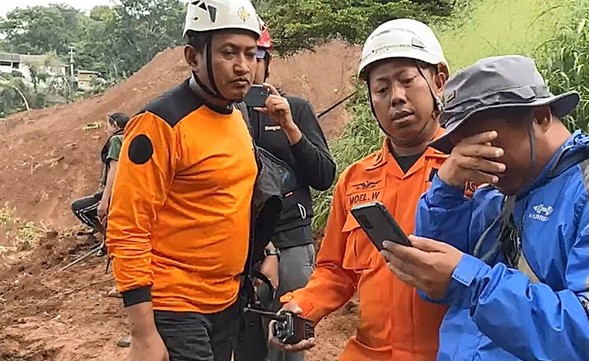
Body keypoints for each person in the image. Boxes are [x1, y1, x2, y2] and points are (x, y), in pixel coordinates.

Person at [383, 55, 589, 360]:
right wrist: (446, 189)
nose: (473, 156)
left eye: (483, 141)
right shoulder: (494, 196)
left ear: (541, 116)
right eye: (460, 147)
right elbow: (432, 282)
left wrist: (473, 285)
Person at [105, 1, 284, 360]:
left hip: (227, 300)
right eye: (228, 53)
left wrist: (267, 251)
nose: (243, 67)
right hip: (176, 307)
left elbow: (235, 198)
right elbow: (127, 227)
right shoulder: (160, 123)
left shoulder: (237, 115)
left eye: (251, 54)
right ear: (193, 56)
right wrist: (143, 334)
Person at [269, 19, 452, 361]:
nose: (396, 97)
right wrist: (301, 307)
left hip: (450, 353)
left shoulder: (472, 169)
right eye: (381, 90)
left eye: (407, 81)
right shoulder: (356, 179)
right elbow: (335, 270)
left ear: (438, 82)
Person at [234, 17, 337, 361]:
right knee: (244, 342)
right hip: (239, 248)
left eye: (255, 56)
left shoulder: (297, 109)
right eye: (238, 56)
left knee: (289, 341)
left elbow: (324, 176)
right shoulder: (219, 118)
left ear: (266, 61)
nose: (247, 66)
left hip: (292, 241)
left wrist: (291, 128)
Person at [70, 112, 129, 247]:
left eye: (107, 125)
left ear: (115, 125)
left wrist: (105, 200)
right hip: (130, 188)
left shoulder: (116, 140)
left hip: (117, 191)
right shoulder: (132, 136)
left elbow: (114, 169)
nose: (106, 129)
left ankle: (108, 239)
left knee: (79, 208)